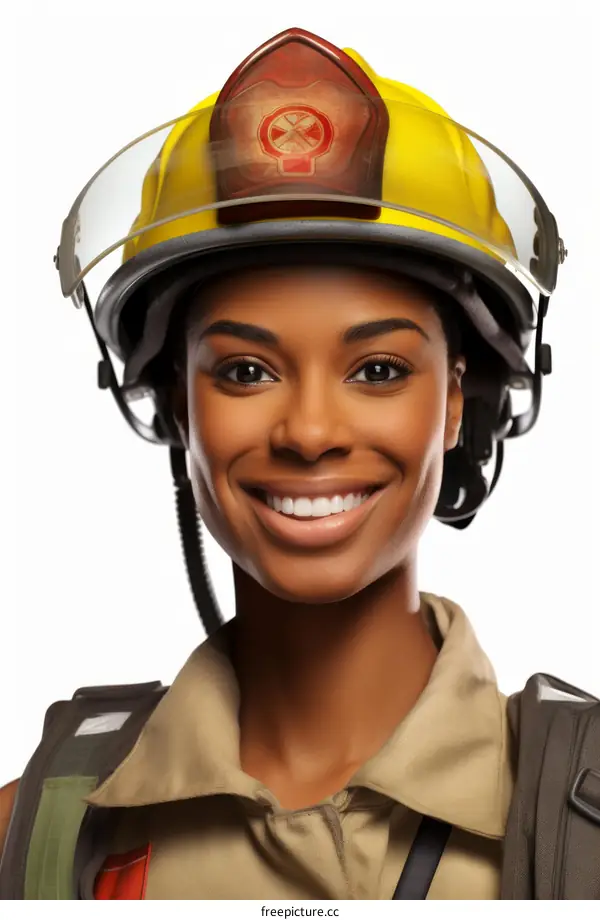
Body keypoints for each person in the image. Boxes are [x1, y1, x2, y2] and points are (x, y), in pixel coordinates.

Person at [2, 27, 592, 901]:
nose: (310, 431)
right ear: (175, 402)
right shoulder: (34, 838)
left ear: (459, 400)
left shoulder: (581, 826)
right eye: (246, 371)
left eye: (378, 370)